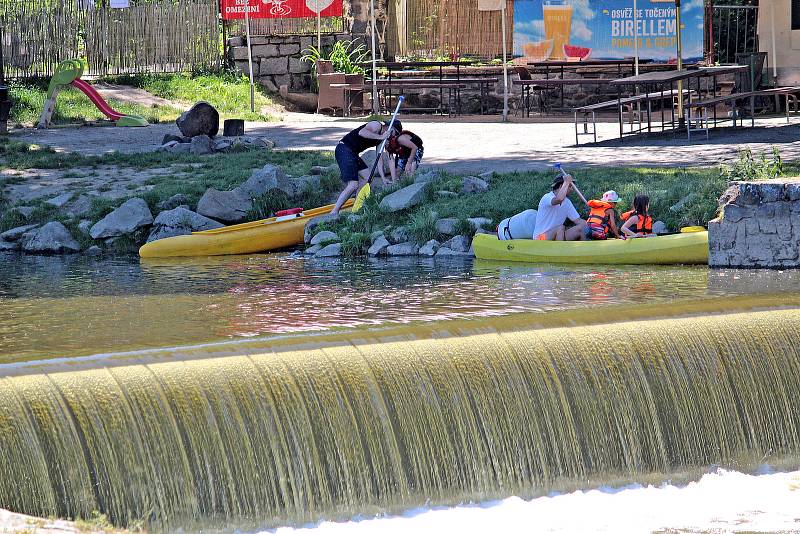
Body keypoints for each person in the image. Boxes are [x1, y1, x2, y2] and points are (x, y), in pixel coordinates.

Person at [331, 119, 402, 216]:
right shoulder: (376, 125)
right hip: (344, 149)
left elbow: (379, 159)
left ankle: (357, 204)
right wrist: (381, 136)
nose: (393, 136)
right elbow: (362, 132)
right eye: (394, 132)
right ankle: (334, 212)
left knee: (368, 178)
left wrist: (383, 178)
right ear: (389, 127)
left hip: (353, 153)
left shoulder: (382, 139)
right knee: (353, 185)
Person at [532, 173, 586, 241]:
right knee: (560, 228)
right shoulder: (547, 197)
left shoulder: (567, 202)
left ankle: (587, 249)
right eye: (570, 186)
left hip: (558, 236)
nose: (572, 189)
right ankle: (560, 250)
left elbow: (578, 220)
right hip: (541, 238)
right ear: (561, 186)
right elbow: (559, 199)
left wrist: (593, 224)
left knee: (580, 229)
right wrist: (566, 182)